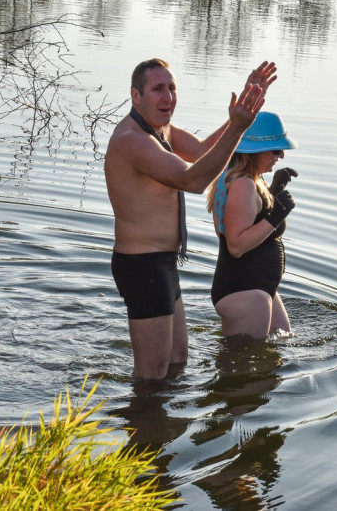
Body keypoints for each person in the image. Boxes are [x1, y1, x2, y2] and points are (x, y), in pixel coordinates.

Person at [104, 58, 277, 380]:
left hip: (163, 263)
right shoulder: (132, 140)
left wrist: (240, 116)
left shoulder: (161, 131)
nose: (168, 97)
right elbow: (193, 180)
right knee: (151, 375)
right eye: (158, 89)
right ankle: (139, 413)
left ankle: (162, 412)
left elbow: (201, 152)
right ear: (136, 96)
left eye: (172, 88)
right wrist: (238, 128)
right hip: (142, 265)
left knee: (177, 362)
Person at [206, 111, 298, 340]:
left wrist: (272, 192)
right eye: (275, 150)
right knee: (244, 360)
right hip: (245, 292)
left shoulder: (246, 180)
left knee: (283, 338)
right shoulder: (242, 184)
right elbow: (236, 245)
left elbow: (251, 218)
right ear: (254, 150)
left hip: (255, 288)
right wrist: (277, 216)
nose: (281, 155)